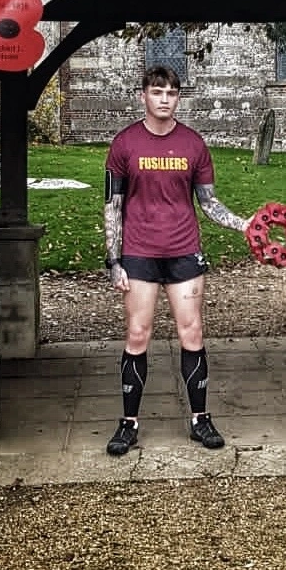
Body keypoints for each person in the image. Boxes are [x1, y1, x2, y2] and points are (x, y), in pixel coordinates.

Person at [103, 66, 249, 455]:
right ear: (143, 96)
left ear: (178, 98)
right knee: (137, 335)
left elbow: (210, 203)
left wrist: (245, 224)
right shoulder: (124, 144)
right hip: (139, 254)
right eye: (157, 92)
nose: (164, 99)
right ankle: (128, 424)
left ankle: (201, 420)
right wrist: (114, 260)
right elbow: (112, 206)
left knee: (192, 334)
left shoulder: (193, 144)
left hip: (184, 251)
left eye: (171, 92)